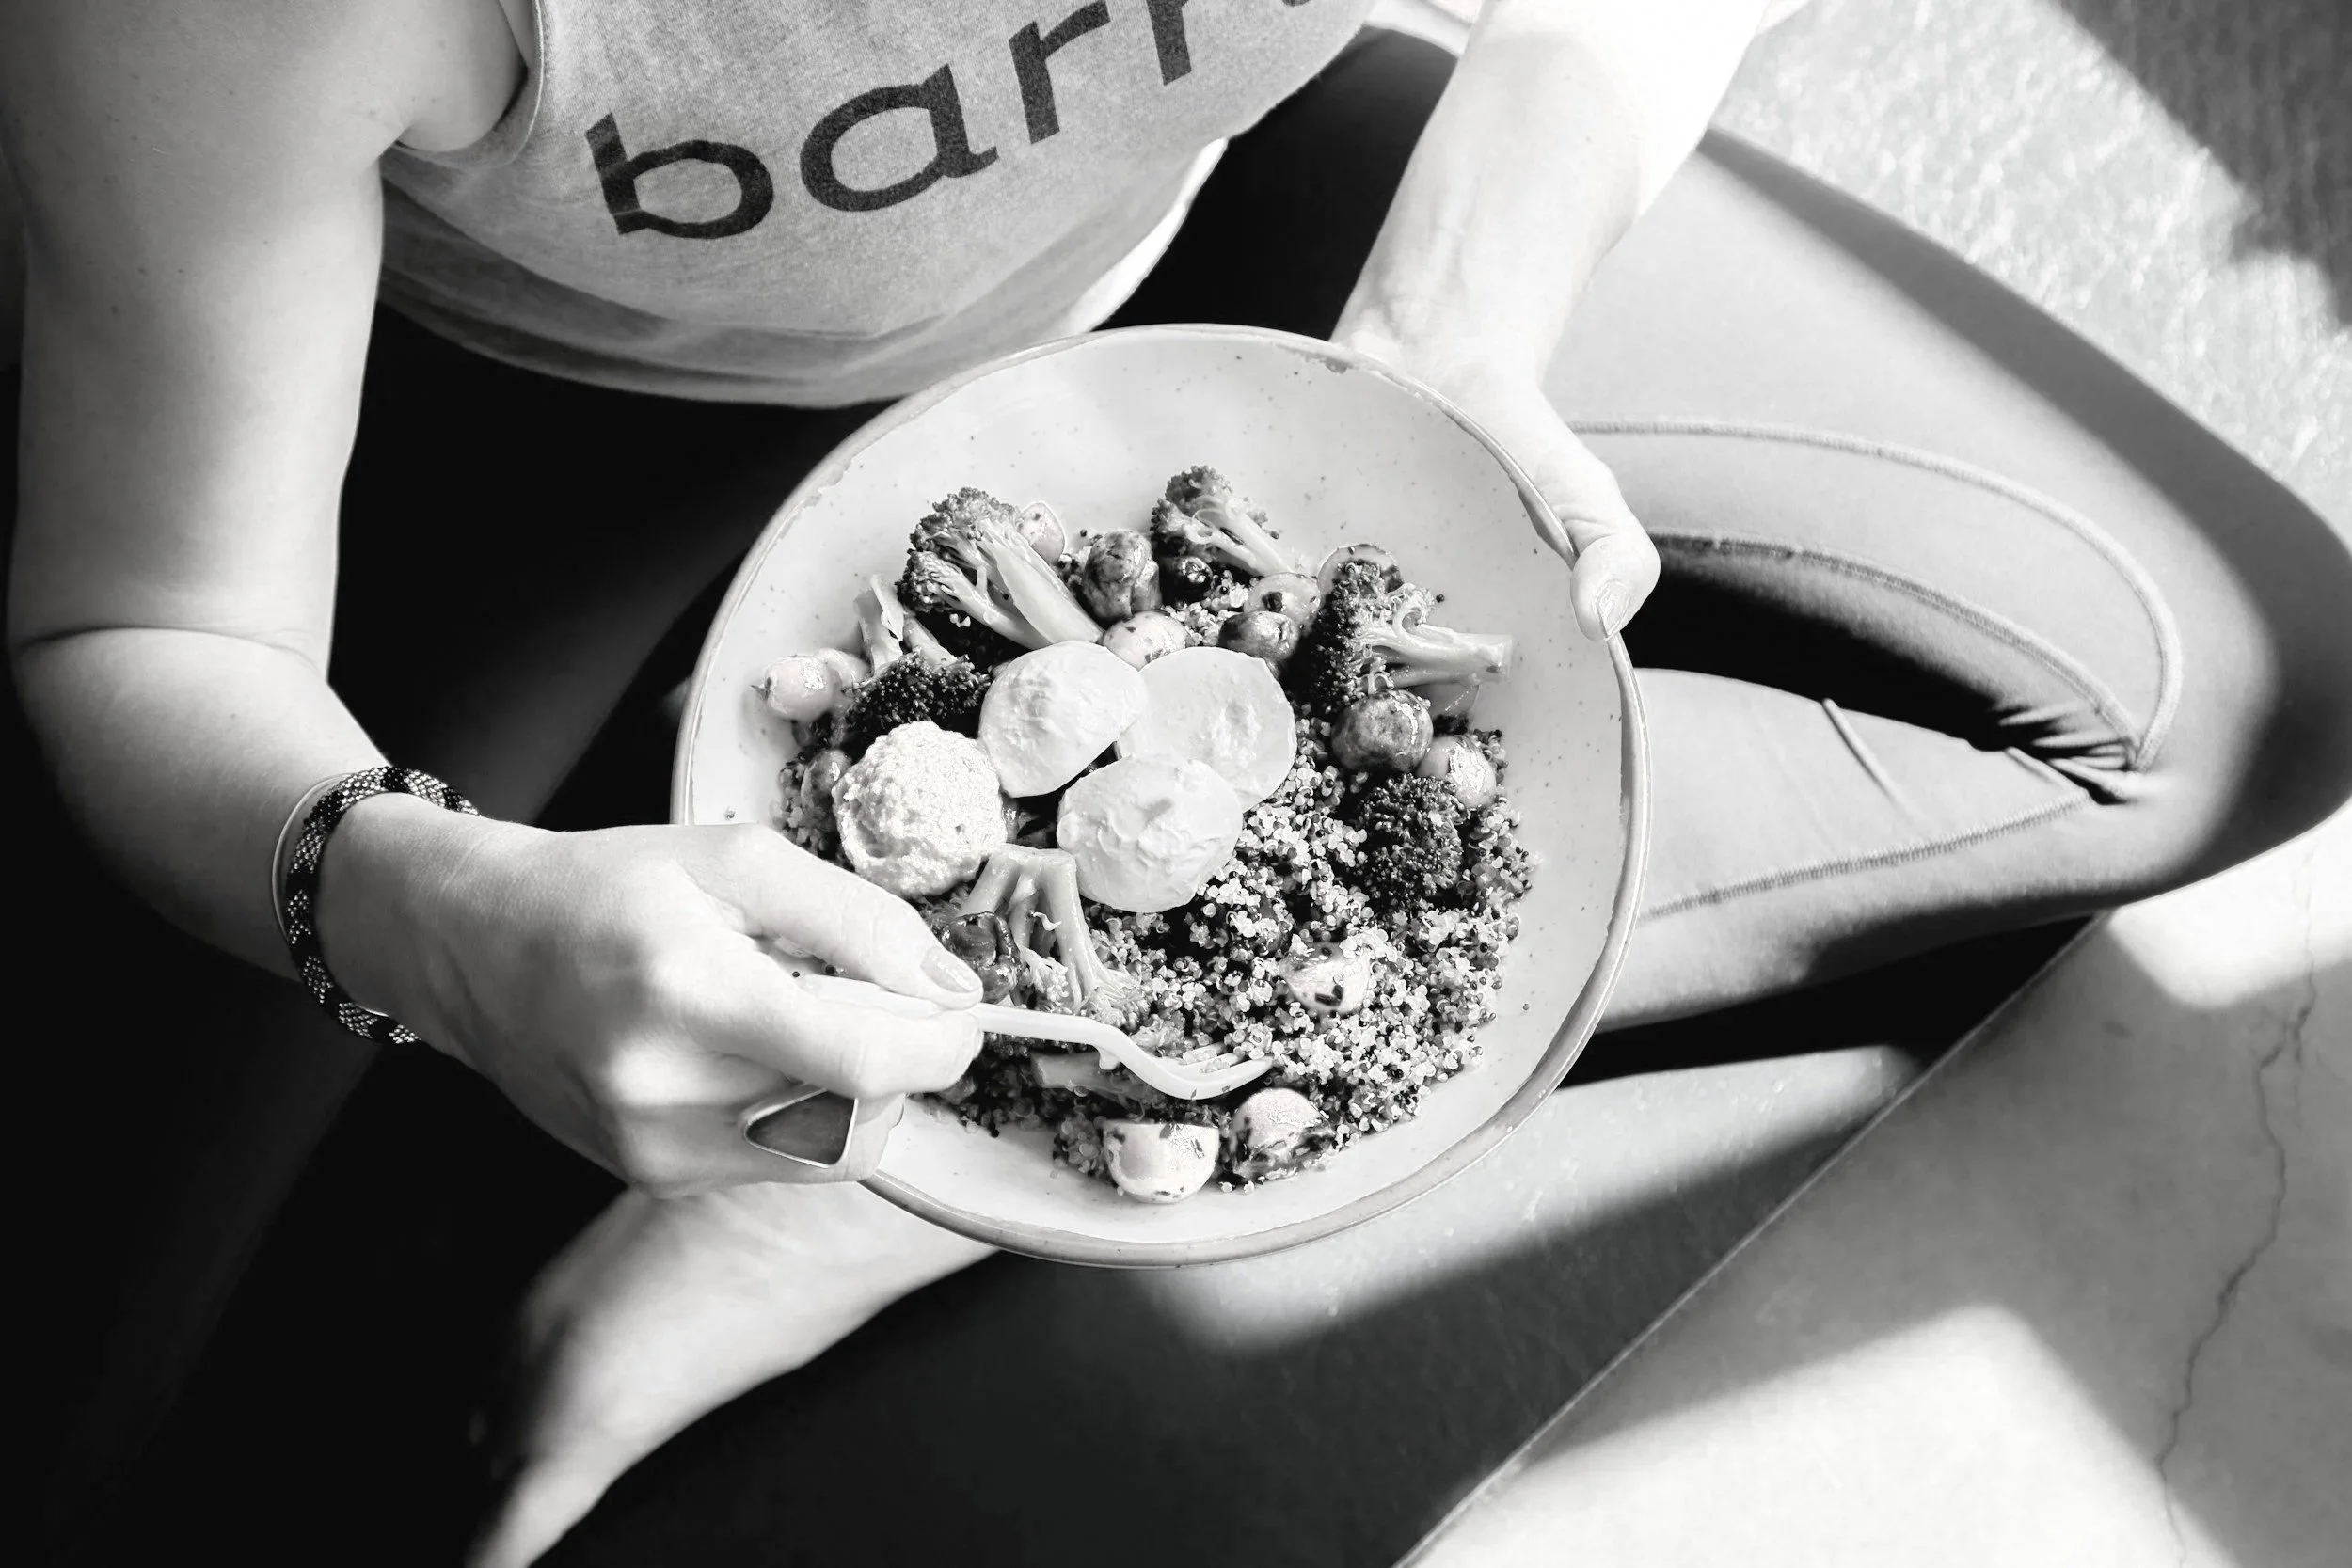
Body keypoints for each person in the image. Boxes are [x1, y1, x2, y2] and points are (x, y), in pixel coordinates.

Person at [8, 1, 2350, 1563]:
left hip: (1206, 249)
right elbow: (149, 629)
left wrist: (1456, 319)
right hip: (551, 412)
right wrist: (433, 915)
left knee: (2223, 686)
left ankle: (870, 1181)